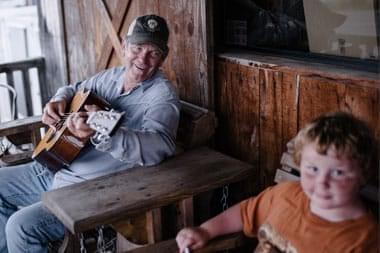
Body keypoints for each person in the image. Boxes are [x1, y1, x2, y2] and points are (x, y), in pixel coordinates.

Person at [0, 14, 180, 252]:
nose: (142, 59)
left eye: (153, 53)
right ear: (125, 47)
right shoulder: (111, 76)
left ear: (163, 57)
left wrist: (107, 130)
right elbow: (74, 89)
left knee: (20, 226)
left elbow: (159, 146)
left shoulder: (162, 97)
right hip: (56, 166)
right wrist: (58, 100)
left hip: (87, 188)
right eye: (137, 48)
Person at [176, 112, 378, 253]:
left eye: (338, 172)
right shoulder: (286, 195)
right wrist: (205, 230)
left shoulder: (363, 240)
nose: (321, 182)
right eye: (313, 168)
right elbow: (246, 212)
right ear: (301, 163)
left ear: (363, 173)